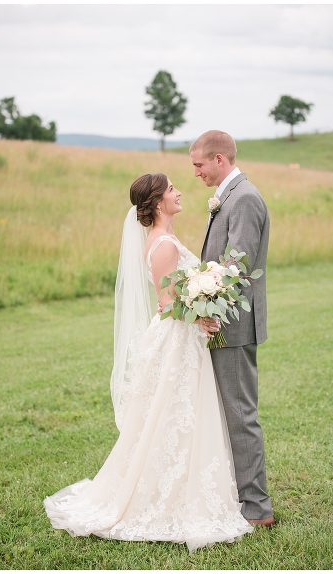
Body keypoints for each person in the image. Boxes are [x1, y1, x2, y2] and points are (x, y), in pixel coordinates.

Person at [43, 173, 253, 551]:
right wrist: (202, 313)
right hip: (176, 341)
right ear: (158, 202)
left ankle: (180, 486)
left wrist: (200, 298)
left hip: (180, 338)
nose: (179, 192)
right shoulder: (164, 245)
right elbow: (171, 304)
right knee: (172, 415)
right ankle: (165, 498)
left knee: (176, 415)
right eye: (172, 189)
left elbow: (170, 299)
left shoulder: (163, 240)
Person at [189, 130, 274, 527]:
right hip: (220, 321)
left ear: (219, 159)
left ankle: (257, 509)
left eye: (199, 164)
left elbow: (236, 268)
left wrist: (208, 303)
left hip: (233, 324)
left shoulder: (245, 198)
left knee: (240, 414)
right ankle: (237, 495)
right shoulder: (230, 196)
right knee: (228, 412)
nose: (195, 172)